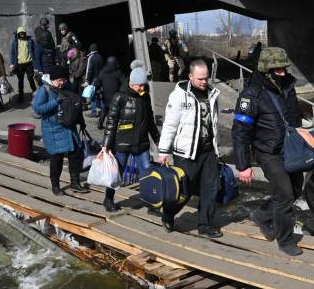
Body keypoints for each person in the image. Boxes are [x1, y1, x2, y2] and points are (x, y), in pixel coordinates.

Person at [232, 47, 304, 256]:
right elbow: (240, 131)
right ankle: (285, 240)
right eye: (277, 69)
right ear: (266, 69)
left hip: (290, 147)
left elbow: (295, 118)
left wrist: (308, 136)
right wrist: (243, 165)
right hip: (267, 151)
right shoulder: (251, 94)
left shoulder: (288, 86)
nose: (282, 72)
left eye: (284, 68)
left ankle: (261, 216)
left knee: (296, 190)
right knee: (284, 194)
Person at [158, 59, 222, 237]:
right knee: (183, 191)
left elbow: (214, 123)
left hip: (208, 151)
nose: (204, 82)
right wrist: (163, 151)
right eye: (200, 78)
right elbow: (170, 124)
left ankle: (205, 225)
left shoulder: (213, 94)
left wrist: (216, 147)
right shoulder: (179, 95)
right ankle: (168, 214)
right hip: (186, 153)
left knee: (211, 188)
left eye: (206, 78)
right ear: (190, 76)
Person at [101, 66, 161, 212]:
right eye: (140, 85)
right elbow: (111, 122)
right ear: (132, 83)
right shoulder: (119, 97)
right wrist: (106, 144)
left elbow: (150, 121)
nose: (142, 88)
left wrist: (158, 140)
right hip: (122, 143)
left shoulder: (145, 97)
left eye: (143, 85)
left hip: (141, 144)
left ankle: (151, 202)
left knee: (147, 173)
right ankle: (108, 199)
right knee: (117, 172)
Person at [33, 65, 90, 196]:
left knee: (74, 155)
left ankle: (75, 183)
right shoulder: (45, 90)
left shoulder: (67, 88)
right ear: (52, 79)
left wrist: (81, 122)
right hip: (54, 130)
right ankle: (56, 186)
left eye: (64, 80)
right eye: (59, 80)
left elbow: (75, 106)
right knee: (57, 158)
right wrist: (55, 102)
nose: (62, 83)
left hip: (69, 127)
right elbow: (38, 109)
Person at [93, 56, 124, 130]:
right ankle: (119, 126)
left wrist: (98, 91)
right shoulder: (118, 72)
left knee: (104, 110)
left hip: (106, 95)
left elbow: (97, 83)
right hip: (116, 96)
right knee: (119, 111)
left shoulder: (102, 72)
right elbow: (124, 83)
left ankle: (100, 124)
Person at [9, 26, 37, 103]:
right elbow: (12, 53)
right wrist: (11, 64)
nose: (22, 35)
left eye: (23, 33)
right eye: (20, 33)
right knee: (20, 80)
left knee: (30, 78)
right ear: (18, 34)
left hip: (29, 63)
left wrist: (36, 62)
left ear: (25, 33)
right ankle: (21, 96)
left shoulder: (30, 41)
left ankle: (35, 92)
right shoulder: (15, 42)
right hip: (19, 64)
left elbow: (34, 51)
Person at [33, 18, 57, 86]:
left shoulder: (47, 34)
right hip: (44, 68)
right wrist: (39, 70)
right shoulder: (39, 46)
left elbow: (53, 48)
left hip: (50, 65)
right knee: (45, 84)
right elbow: (37, 59)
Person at [84, 43, 104, 117]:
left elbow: (89, 70)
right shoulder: (100, 56)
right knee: (100, 95)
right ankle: (103, 111)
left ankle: (94, 112)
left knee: (92, 96)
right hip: (100, 78)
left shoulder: (91, 57)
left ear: (91, 49)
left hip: (93, 79)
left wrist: (87, 80)